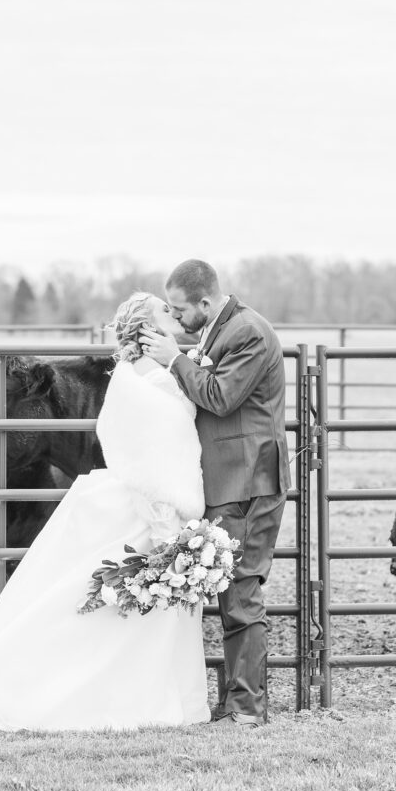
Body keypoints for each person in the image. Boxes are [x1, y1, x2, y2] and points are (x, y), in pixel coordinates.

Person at [0, 292, 211, 731]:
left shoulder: (161, 368)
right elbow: (143, 447)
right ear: (149, 329)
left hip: (162, 501)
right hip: (151, 503)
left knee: (129, 608)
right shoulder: (138, 379)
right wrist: (169, 518)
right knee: (106, 603)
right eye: (165, 312)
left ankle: (139, 697)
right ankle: (80, 695)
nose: (174, 315)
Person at [140, 259, 290, 730]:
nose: (177, 318)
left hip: (248, 481)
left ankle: (247, 709)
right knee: (230, 592)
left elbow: (222, 396)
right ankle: (237, 702)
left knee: (241, 591)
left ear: (205, 301)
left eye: (181, 309)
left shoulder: (247, 332)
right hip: (231, 480)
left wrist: (175, 359)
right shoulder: (221, 327)